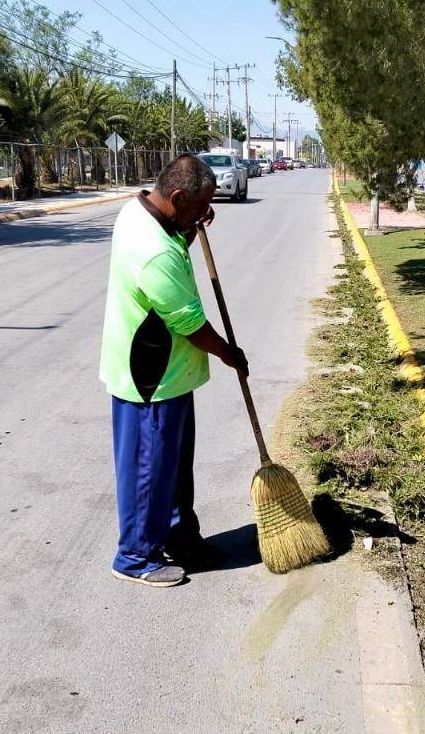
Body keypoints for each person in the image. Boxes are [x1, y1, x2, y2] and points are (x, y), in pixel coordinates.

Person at [99, 154, 248, 588]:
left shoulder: (144, 212)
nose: (205, 214)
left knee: (174, 469)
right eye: (198, 207)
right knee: (149, 471)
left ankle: (180, 538)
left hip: (173, 376)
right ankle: (134, 556)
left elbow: (175, 237)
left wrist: (190, 227)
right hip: (150, 378)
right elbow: (190, 324)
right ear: (177, 196)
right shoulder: (152, 251)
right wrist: (230, 354)